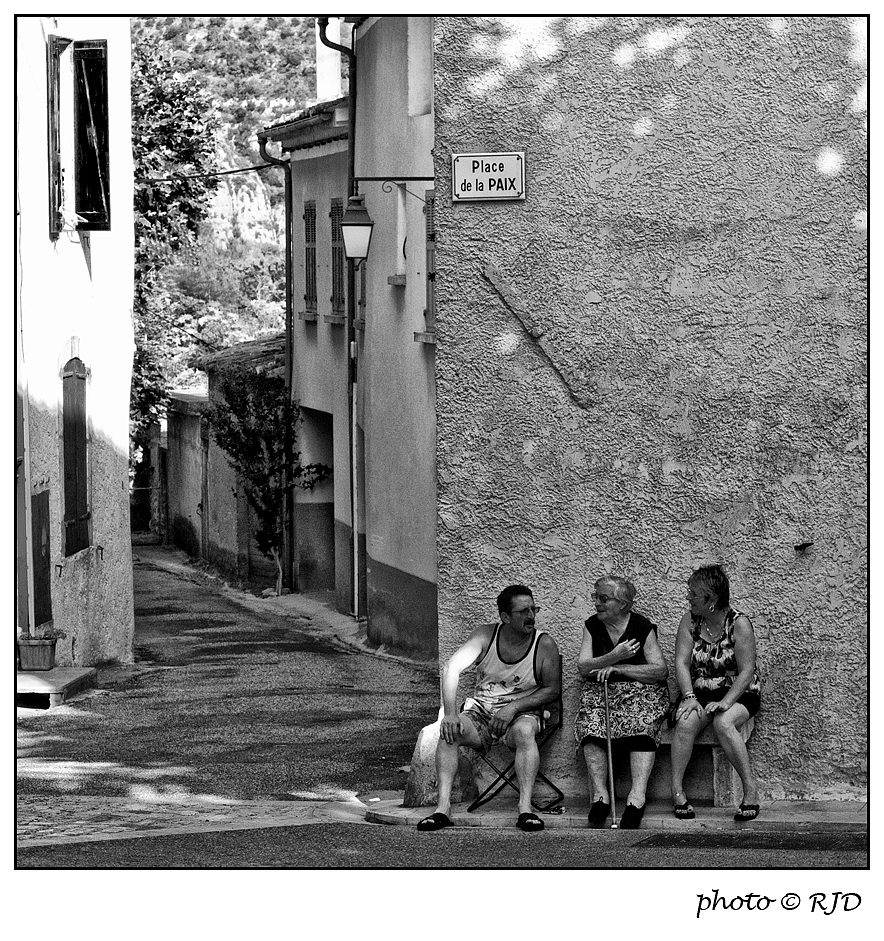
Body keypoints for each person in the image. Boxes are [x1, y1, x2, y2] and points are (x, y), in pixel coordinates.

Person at [416, 585, 562, 833]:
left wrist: (513, 707)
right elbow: (450, 669)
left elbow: (552, 690)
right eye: (523, 611)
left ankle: (525, 809)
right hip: (482, 711)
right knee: (449, 732)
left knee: (526, 732)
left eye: (533, 609)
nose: (531, 616)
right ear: (505, 617)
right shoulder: (485, 636)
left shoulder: (544, 644)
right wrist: (450, 714)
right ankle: (442, 809)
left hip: (521, 713)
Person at [574, 576, 669, 829]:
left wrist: (619, 667)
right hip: (602, 691)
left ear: (623, 604)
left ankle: (637, 798)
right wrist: (612, 656)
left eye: (603, 598)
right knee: (591, 723)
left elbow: (660, 671)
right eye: (596, 597)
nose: (596, 602)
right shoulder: (592, 626)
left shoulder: (641, 626)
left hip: (640, 692)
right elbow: (584, 667)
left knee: (642, 720)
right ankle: (601, 797)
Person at [670, 564, 762, 821]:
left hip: (738, 690)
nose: (688, 598)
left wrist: (726, 701)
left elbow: (746, 671)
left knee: (724, 722)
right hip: (700, 690)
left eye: (693, 594)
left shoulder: (739, 623)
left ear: (711, 600)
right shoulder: (690, 620)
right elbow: (682, 662)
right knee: (685, 722)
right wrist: (688, 696)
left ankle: (750, 790)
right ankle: (677, 790)